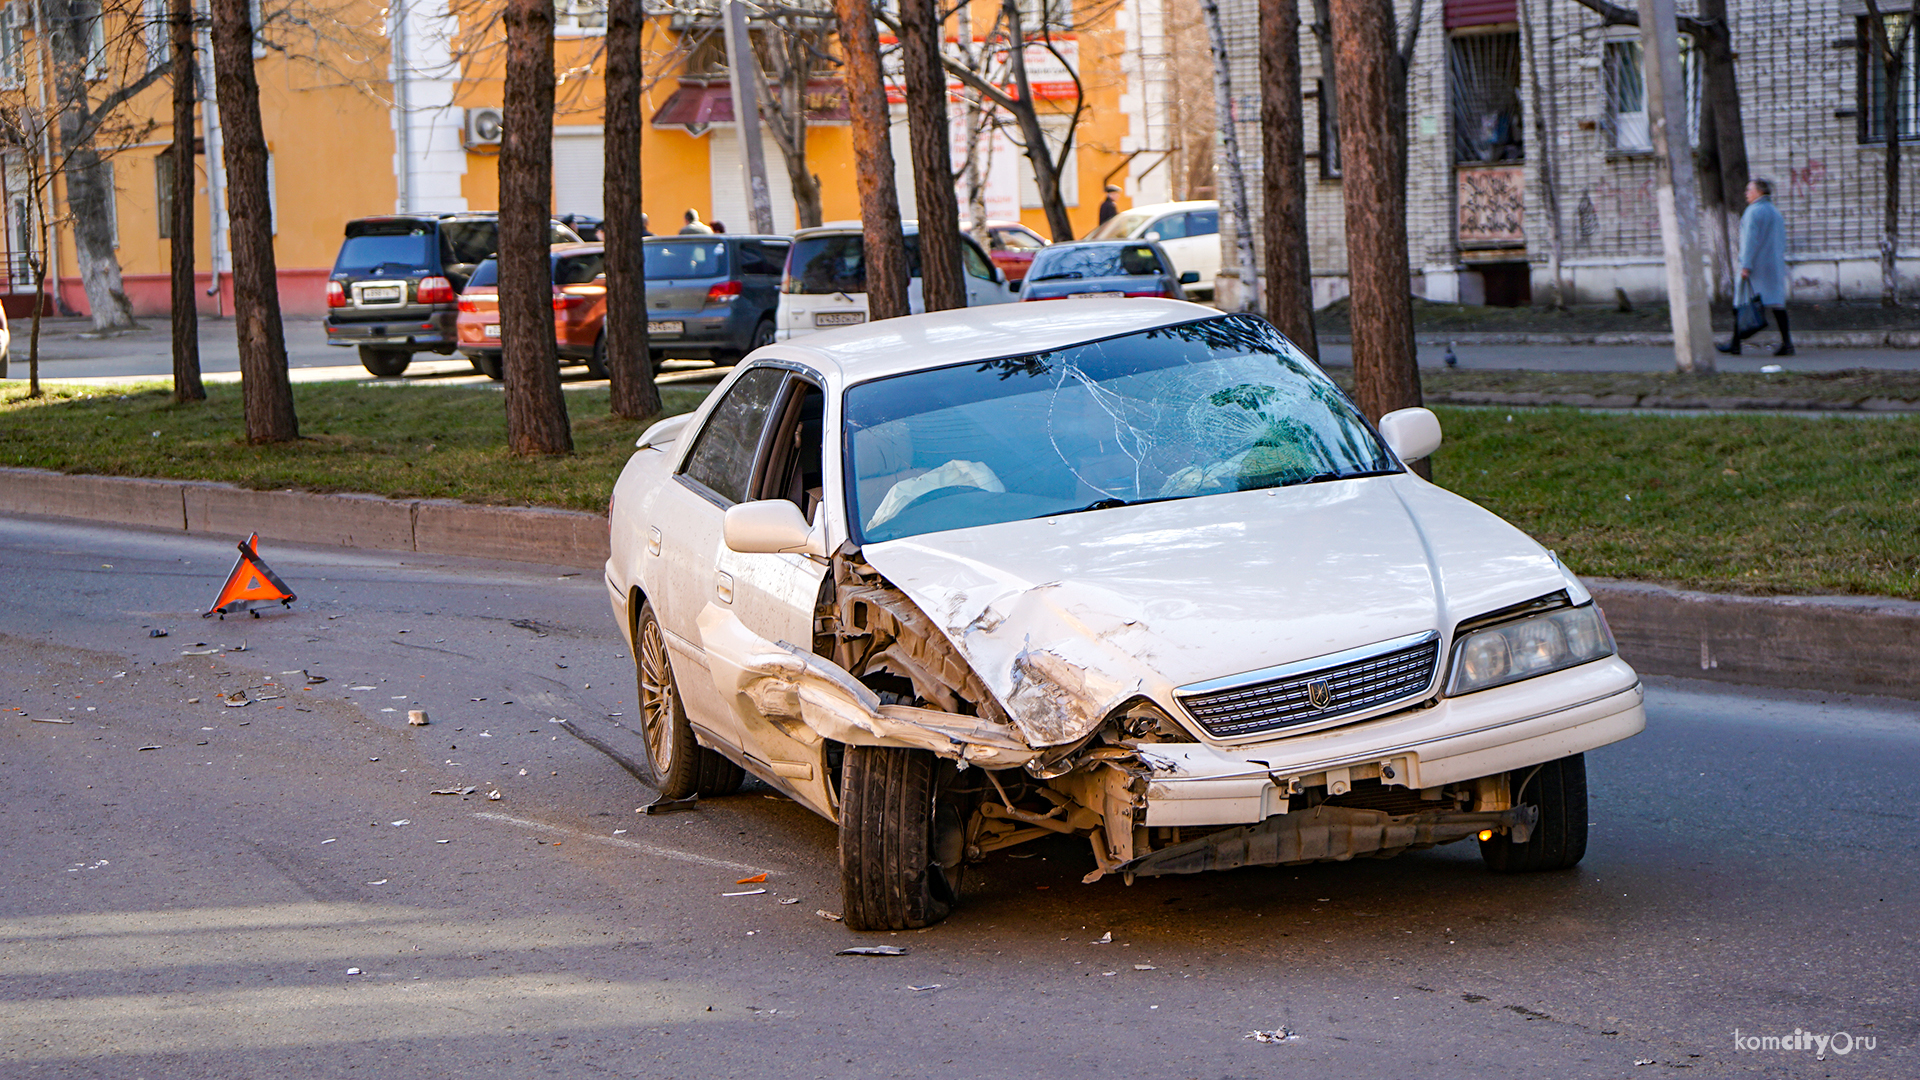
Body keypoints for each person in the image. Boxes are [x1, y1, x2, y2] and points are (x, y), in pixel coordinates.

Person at [1719, 177, 1792, 357]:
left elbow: (1749, 242)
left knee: (1741, 302)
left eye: (1749, 190)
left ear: (1759, 192)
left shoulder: (1752, 212)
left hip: (1755, 267)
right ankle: (1787, 344)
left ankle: (1735, 343)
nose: (1746, 194)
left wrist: (1745, 265)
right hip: (1773, 265)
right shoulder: (1775, 212)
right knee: (1777, 305)